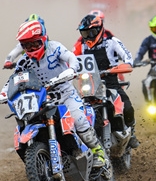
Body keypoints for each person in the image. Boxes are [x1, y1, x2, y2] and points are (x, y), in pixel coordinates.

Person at [6, 20, 108, 167]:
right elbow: (13, 80)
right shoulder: (23, 62)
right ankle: (43, 160)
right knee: (29, 123)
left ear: (43, 39)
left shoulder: (55, 48)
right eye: (27, 45)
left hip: (66, 95)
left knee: (78, 120)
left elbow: (71, 57)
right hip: (42, 100)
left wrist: (72, 68)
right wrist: (3, 94)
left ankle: (98, 151)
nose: (32, 48)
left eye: (35, 44)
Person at [73, 13, 138, 148]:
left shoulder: (112, 42)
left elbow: (128, 58)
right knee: (78, 113)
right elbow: (71, 60)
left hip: (110, 82)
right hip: (89, 85)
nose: (88, 37)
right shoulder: (81, 46)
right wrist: (70, 71)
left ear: (99, 29)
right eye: (85, 34)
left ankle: (131, 133)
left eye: (91, 32)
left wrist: (124, 66)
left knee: (127, 106)